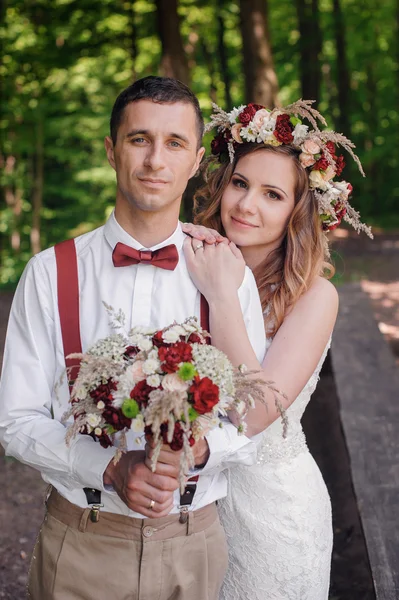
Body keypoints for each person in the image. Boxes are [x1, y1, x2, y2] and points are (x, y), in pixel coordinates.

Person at [0, 77, 267, 600]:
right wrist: (109, 466)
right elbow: (14, 420)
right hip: (82, 540)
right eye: (138, 139)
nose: (154, 161)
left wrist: (203, 447)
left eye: (174, 144)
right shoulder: (50, 272)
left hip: (195, 546)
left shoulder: (227, 275)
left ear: (195, 163)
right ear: (111, 150)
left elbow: (251, 421)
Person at [181, 100, 372, 599]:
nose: (246, 205)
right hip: (188, 504)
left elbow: (259, 410)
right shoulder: (188, 262)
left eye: (272, 194)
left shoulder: (315, 296)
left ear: (297, 210)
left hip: (271, 512)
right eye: (240, 184)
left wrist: (222, 295)